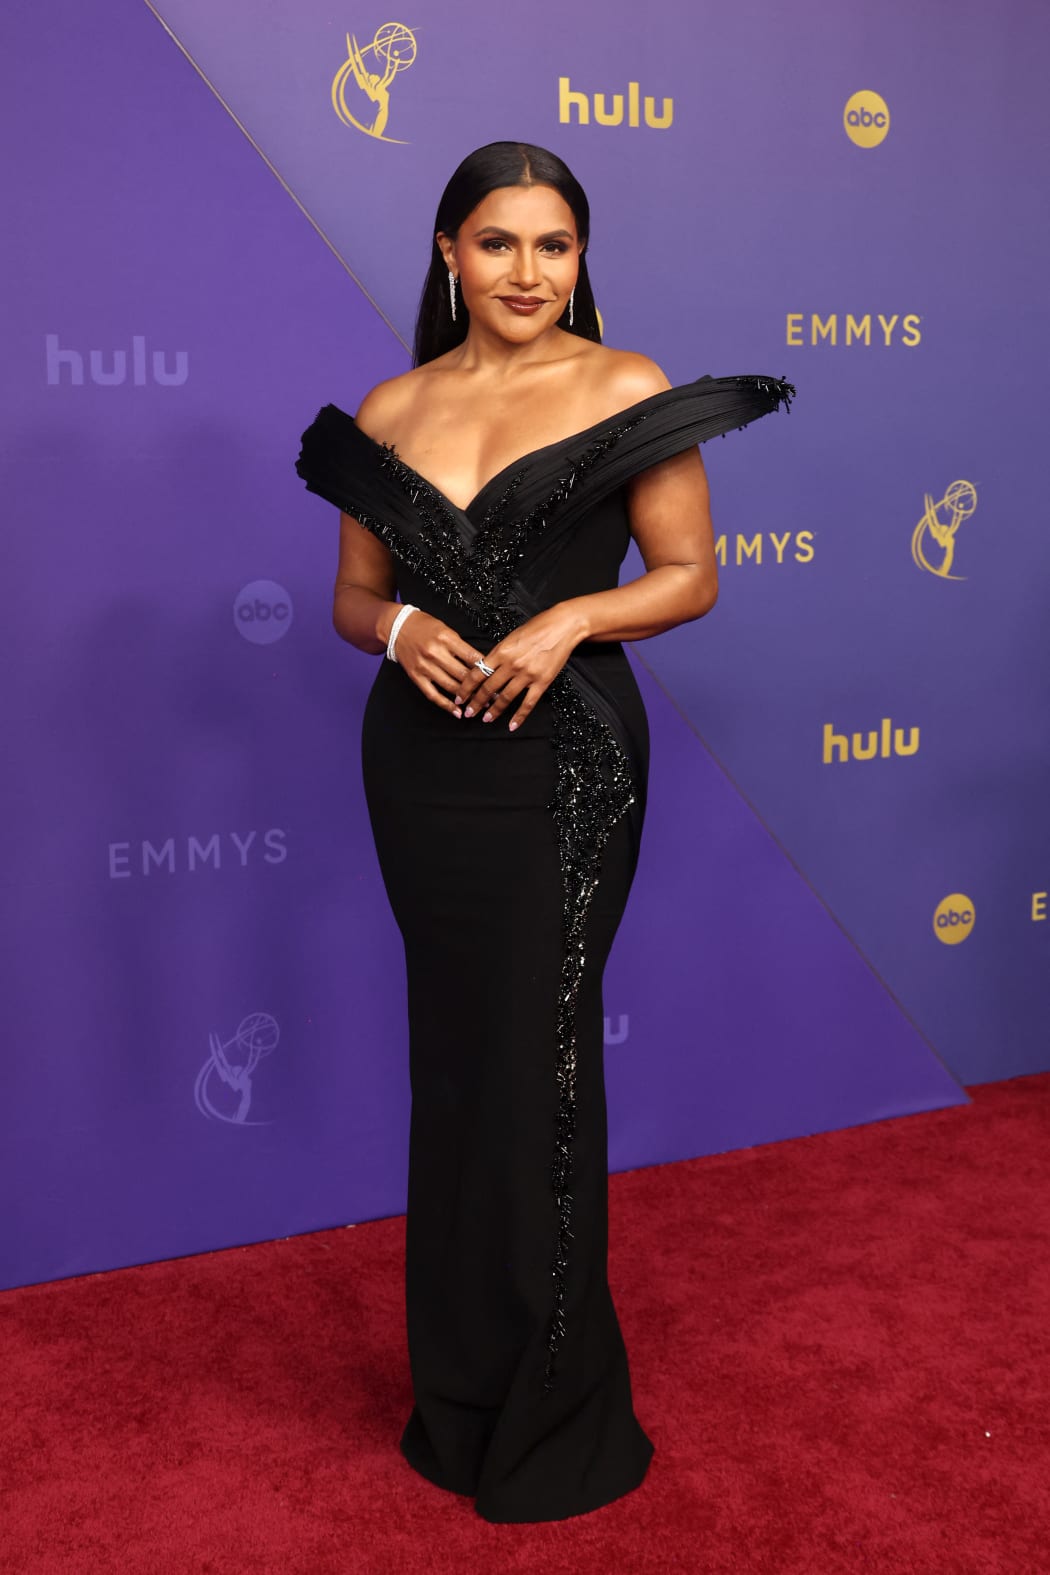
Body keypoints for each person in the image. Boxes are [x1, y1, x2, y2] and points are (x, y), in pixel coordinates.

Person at [295, 140, 793, 1524]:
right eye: (499, 243)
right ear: (447, 253)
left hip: (562, 761)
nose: (528, 272)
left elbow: (687, 577)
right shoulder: (392, 405)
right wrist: (398, 628)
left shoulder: (625, 388)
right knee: (455, 1067)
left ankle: (557, 1411)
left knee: (541, 1066)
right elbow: (349, 598)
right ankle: (455, 1394)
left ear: (580, 259)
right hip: (420, 764)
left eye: (553, 245)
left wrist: (573, 614)